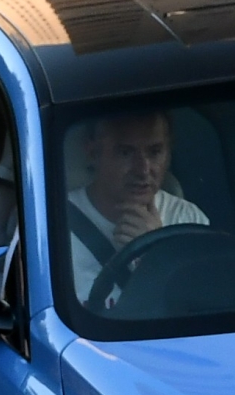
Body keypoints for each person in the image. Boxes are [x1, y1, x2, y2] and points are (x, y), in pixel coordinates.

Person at [68, 110, 207, 301]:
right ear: (93, 153)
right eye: (125, 152)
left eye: (155, 152)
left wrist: (157, 255)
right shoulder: (51, 227)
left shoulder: (188, 221)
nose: (142, 170)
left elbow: (204, 309)